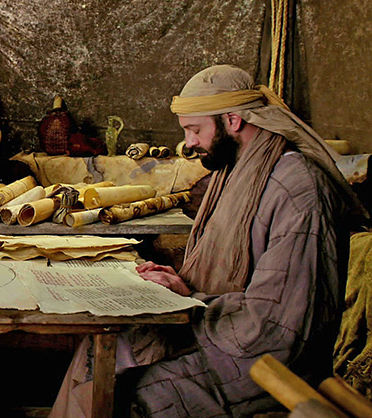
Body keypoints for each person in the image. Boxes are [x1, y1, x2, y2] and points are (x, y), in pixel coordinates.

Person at [49, 65, 367, 417]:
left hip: (260, 365)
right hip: (222, 333)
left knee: (129, 392)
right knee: (97, 351)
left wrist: (191, 299)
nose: (189, 143)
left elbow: (278, 330)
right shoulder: (237, 169)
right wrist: (176, 283)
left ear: (233, 120)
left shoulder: (299, 190)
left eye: (195, 130)